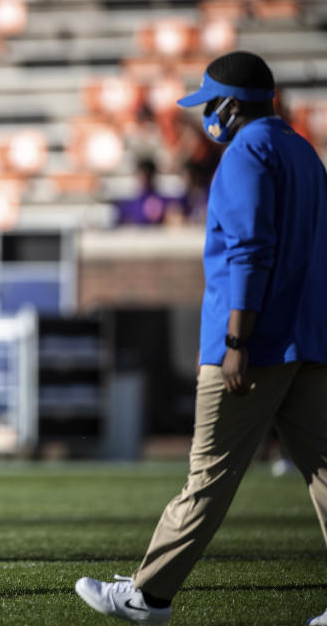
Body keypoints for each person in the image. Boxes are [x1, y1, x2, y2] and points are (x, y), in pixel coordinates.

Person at [75, 50, 327, 625]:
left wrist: (237, 341)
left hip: (254, 344)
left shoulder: (247, 152)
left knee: (208, 475)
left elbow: (248, 250)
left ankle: (149, 595)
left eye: (212, 104)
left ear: (232, 106)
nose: (208, 115)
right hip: (308, 339)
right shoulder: (303, 151)